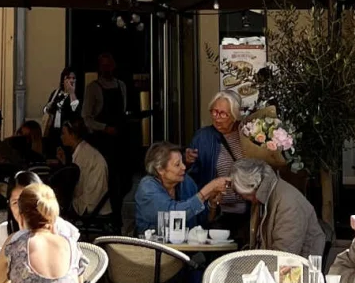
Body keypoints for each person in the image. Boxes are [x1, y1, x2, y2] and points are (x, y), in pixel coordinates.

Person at [230, 158, 326, 257]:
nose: (242, 198)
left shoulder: (288, 203)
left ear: (250, 186)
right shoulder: (266, 196)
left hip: (297, 267)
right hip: (281, 264)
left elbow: (284, 254)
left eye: (241, 194)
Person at [185, 91, 247, 234]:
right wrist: (187, 161)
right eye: (214, 112)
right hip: (218, 213)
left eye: (223, 114)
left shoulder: (247, 135)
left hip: (247, 212)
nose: (217, 118)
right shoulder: (203, 137)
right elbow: (191, 177)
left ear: (234, 115)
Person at [134, 141, 230, 234]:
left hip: (188, 248)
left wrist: (211, 203)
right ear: (160, 169)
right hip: (156, 248)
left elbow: (201, 223)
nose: (184, 167)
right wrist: (207, 190)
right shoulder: (147, 188)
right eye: (177, 164)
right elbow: (174, 214)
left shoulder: (187, 182)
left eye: (182, 162)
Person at [0, 170, 79, 254]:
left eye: (28, 201)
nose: (22, 209)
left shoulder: (60, 228)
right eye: (15, 203)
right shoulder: (3, 233)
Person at [82, 53, 128, 217]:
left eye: (109, 65)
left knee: (124, 181)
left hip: (120, 141)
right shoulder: (93, 88)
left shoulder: (121, 85)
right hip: (102, 142)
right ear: (99, 67)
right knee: (107, 181)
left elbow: (123, 112)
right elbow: (86, 118)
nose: (107, 68)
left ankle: (118, 212)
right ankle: (106, 215)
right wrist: (104, 128)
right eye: (104, 65)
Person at [59, 119, 111, 218]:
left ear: (73, 135)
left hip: (90, 201)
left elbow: (77, 183)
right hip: (92, 197)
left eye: (64, 133)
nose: (62, 137)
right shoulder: (83, 150)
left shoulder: (85, 154)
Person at [43, 68, 80, 147]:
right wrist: (48, 108)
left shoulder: (75, 96)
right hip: (53, 132)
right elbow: (46, 109)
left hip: (66, 133)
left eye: (73, 78)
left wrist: (72, 93)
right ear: (63, 80)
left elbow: (75, 111)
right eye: (68, 78)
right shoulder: (56, 93)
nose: (71, 81)